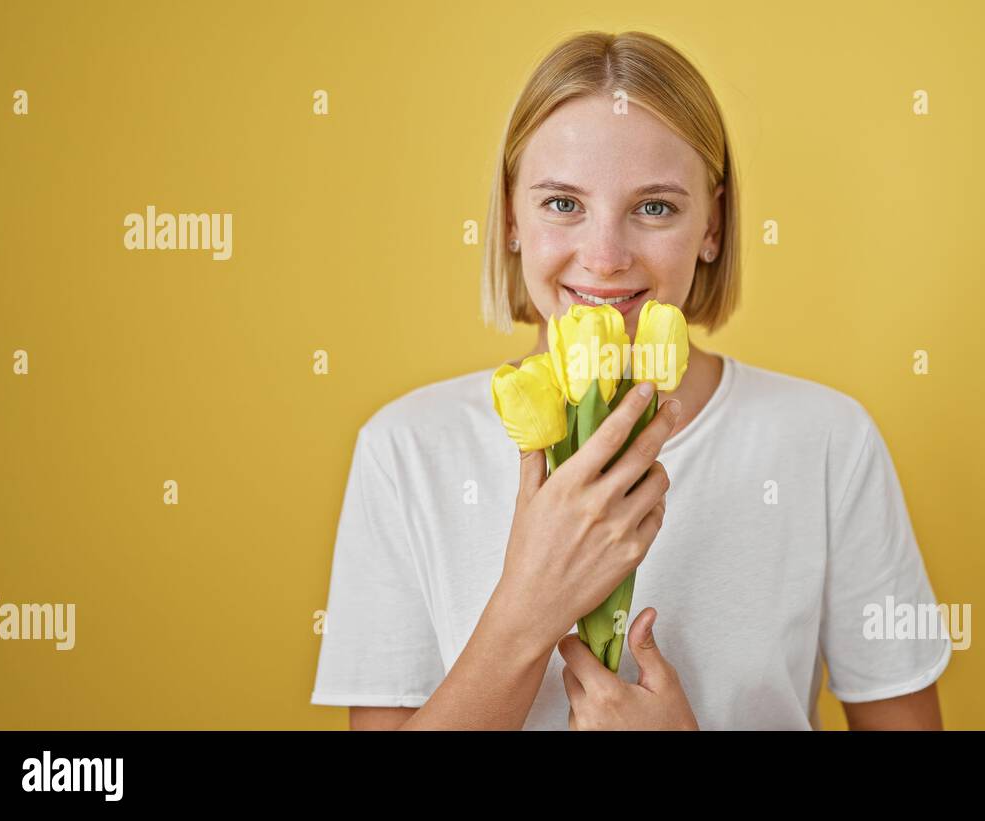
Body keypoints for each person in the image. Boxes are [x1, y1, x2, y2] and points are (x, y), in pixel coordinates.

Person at [310, 30, 950, 730]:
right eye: (562, 203)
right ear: (511, 216)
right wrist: (526, 609)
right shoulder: (404, 450)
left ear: (713, 225)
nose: (606, 257)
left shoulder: (828, 441)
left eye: (655, 207)